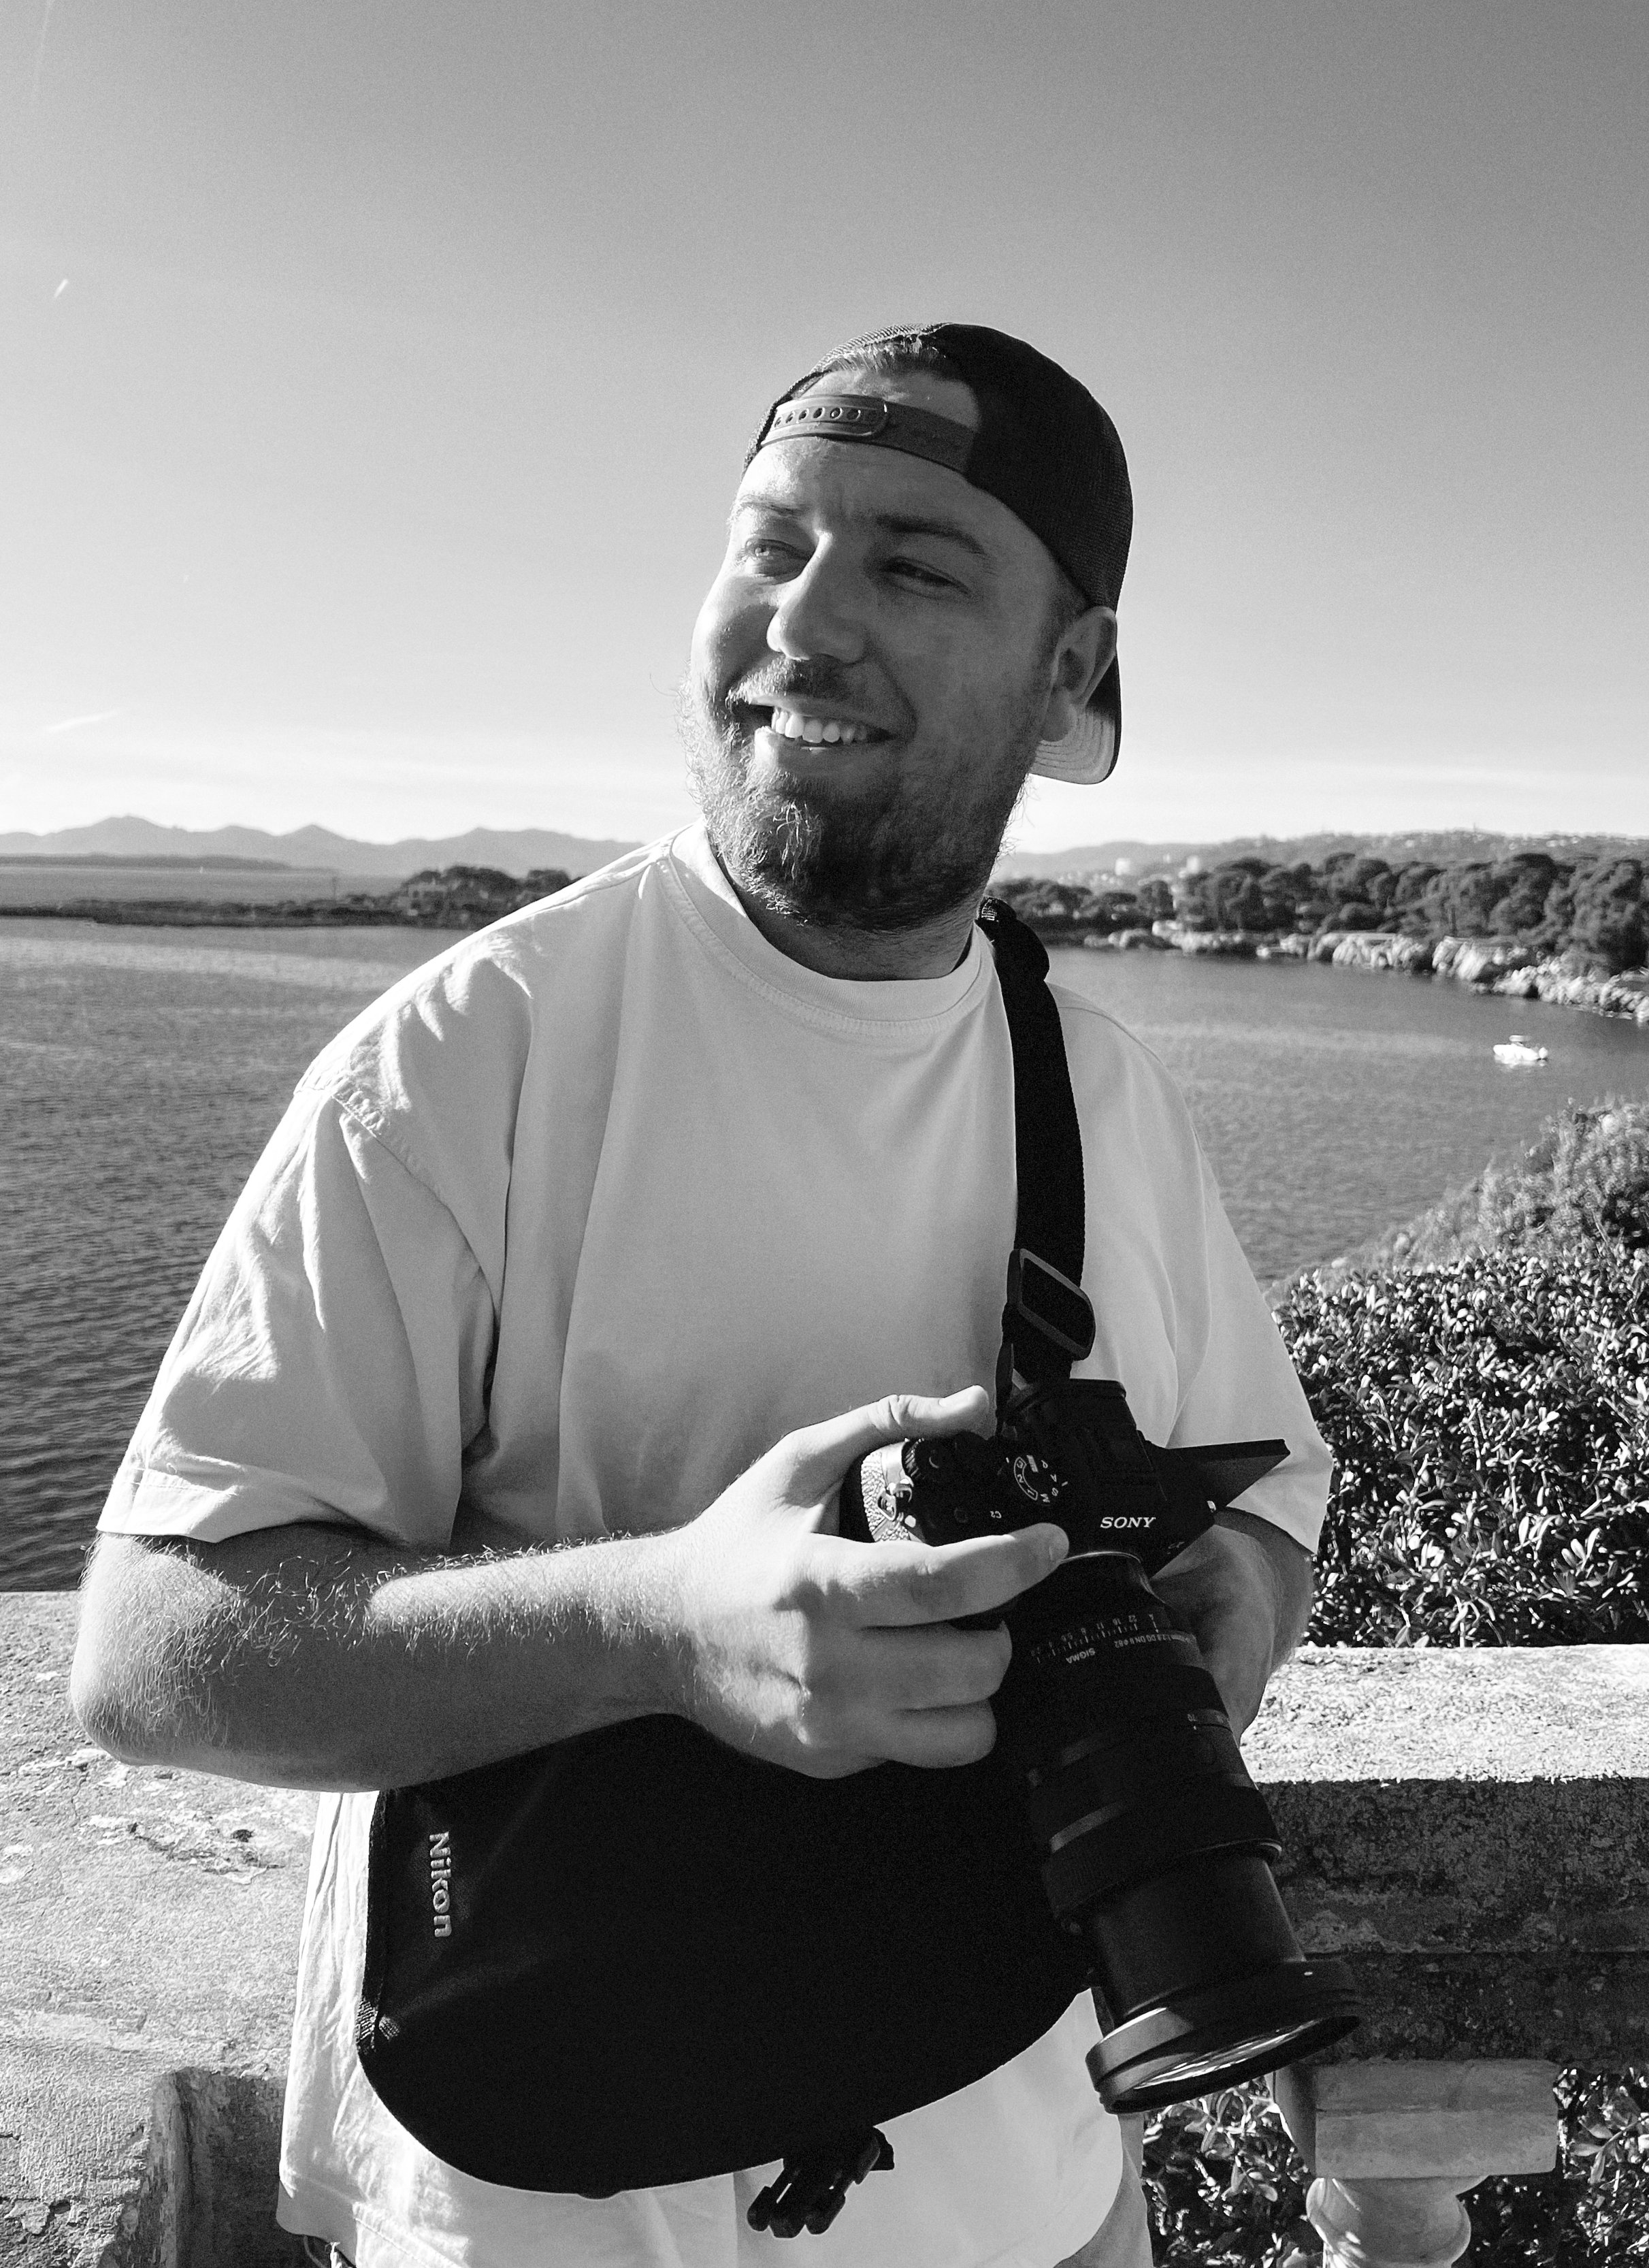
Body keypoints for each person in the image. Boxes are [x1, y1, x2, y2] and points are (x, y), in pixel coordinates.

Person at [70, 323, 1329, 2268]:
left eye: (912, 564)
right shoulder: (473, 1055)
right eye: (767, 547)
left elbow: (1268, 1494)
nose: (803, 622)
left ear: (1066, 672)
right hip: (548, 2203)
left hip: (1023, 2178)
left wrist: (1214, 1610)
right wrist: (665, 1622)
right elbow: (151, 1648)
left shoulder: (1098, 1089)